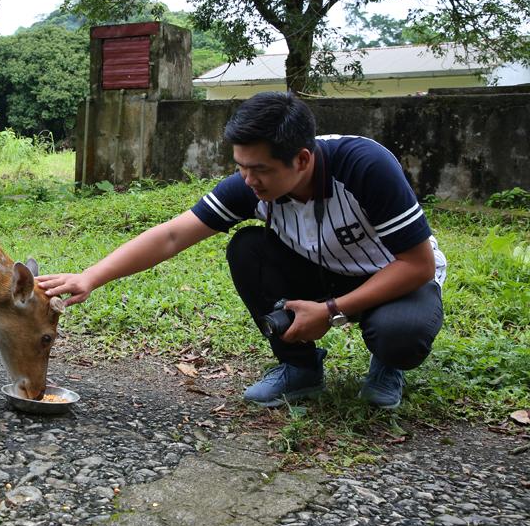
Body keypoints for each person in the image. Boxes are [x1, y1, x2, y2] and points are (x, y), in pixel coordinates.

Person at [37, 91, 446, 409]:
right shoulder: (252, 187)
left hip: (395, 274)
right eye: (240, 167)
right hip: (326, 268)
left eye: (260, 169)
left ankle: (387, 366)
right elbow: (173, 235)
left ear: (302, 159)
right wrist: (91, 276)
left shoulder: (363, 166)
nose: (249, 180)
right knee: (248, 248)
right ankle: (300, 368)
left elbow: (417, 264)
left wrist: (330, 311)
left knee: (400, 335)